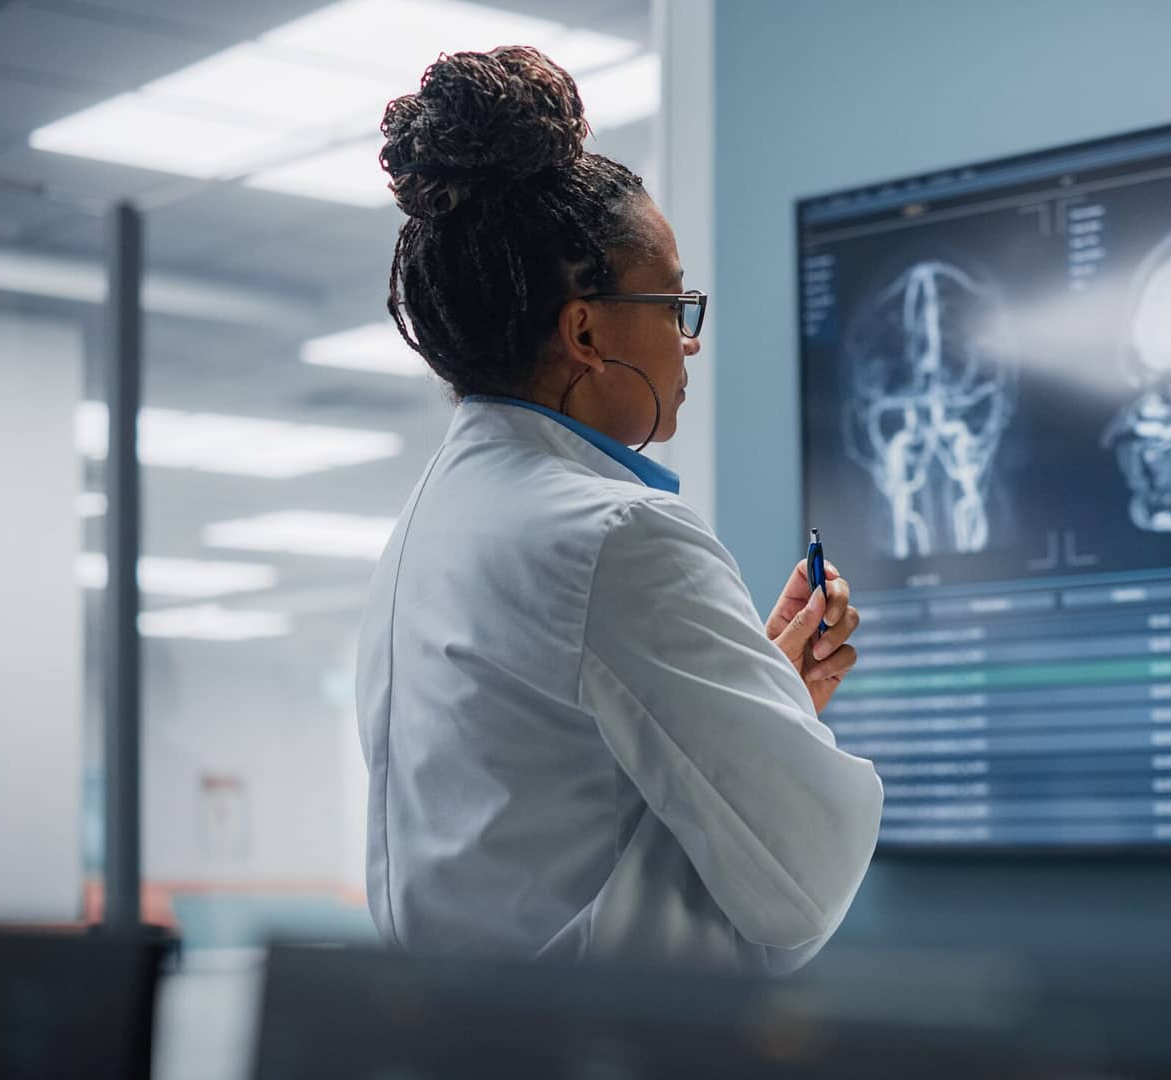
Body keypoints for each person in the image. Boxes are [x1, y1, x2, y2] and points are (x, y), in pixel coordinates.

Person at [354, 45, 882, 973]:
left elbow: (548, 814)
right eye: (674, 303)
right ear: (586, 331)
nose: (689, 343)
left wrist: (757, 705)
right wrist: (783, 735)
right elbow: (800, 878)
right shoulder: (620, 536)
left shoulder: (426, 529)